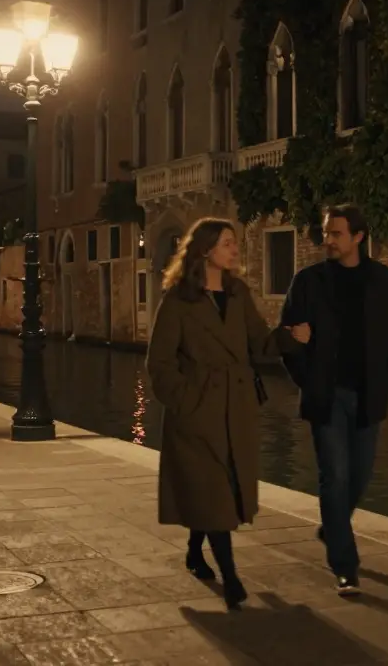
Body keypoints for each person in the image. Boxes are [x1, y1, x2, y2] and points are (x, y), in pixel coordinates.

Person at [146, 217, 309, 609]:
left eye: (234, 243)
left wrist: (291, 338)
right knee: (214, 491)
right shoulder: (178, 300)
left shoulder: (238, 293)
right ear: (205, 250)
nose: (235, 250)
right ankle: (231, 577)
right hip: (197, 414)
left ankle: (194, 550)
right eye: (227, 243)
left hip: (236, 410)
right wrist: (187, 400)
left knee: (217, 493)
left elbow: (260, 344)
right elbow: (160, 363)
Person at [280, 204, 388, 596]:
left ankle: (333, 527)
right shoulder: (308, 281)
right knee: (335, 476)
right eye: (326, 232)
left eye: (336, 233)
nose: (328, 240)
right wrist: (308, 381)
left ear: (358, 237)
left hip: (369, 394)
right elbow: (287, 337)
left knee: (360, 476)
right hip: (327, 397)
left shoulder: (382, 280)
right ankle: (345, 566)